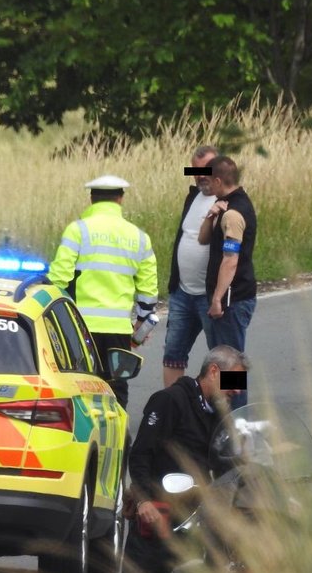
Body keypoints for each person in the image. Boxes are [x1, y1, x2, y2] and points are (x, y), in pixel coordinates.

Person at [100, 345, 250, 573]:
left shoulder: (222, 414)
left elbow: (229, 466)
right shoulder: (169, 401)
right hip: (155, 524)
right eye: (233, 381)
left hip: (195, 529)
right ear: (213, 372)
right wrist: (141, 502)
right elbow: (140, 456)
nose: (238, 389)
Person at [48, 175, 158, 408]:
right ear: (120, 199)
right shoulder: (139, 237)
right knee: (116, 385)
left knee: (79, 384)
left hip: (79, 327)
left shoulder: (77, 231)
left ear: (91, 199)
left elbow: (58, 279)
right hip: (118, 329)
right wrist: (142, 320)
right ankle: (117, 440)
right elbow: (148, 288)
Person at [198, 155, 257, 408]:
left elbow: (230, 259)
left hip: (231, 300)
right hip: (230, 298)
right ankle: (229, 423)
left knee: (231, 367)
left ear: (219, 180)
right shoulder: (225, 206)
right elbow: (202, 240)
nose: (206, 185)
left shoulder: (233, 213)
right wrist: (210, 216)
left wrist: (217, 299)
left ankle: (238, 424)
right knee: (225, 364)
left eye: (209, 180)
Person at [163, 145, 219, 388]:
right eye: (196, 171)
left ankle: (233, 414)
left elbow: (237, 253)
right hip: (183, 293)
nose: (200, 175)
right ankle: (173, 411)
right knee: (172, 355)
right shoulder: (193, 196)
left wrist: (220, 295)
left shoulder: (232, 200)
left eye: (206, 169)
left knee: (226, 357)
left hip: (212, 296)